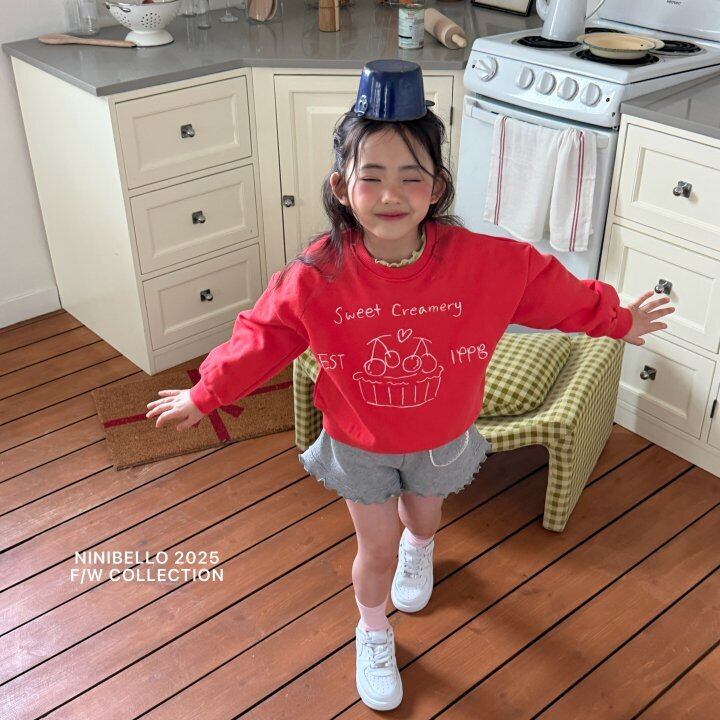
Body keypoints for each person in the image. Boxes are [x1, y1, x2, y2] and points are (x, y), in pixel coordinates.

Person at [145, 59, 675, 712]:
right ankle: (372, 630)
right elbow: (262, 336)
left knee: (421, 521)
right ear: (342, 187)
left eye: (411, 177)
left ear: (437, 187)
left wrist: (617, 319)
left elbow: (555, 291)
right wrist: (205, 394)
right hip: (358, 442)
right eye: (371, 177)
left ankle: (420, 548)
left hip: (442, 435)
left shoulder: (485, 263)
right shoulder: (316, 275)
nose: (390, 194)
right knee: (374, 549)